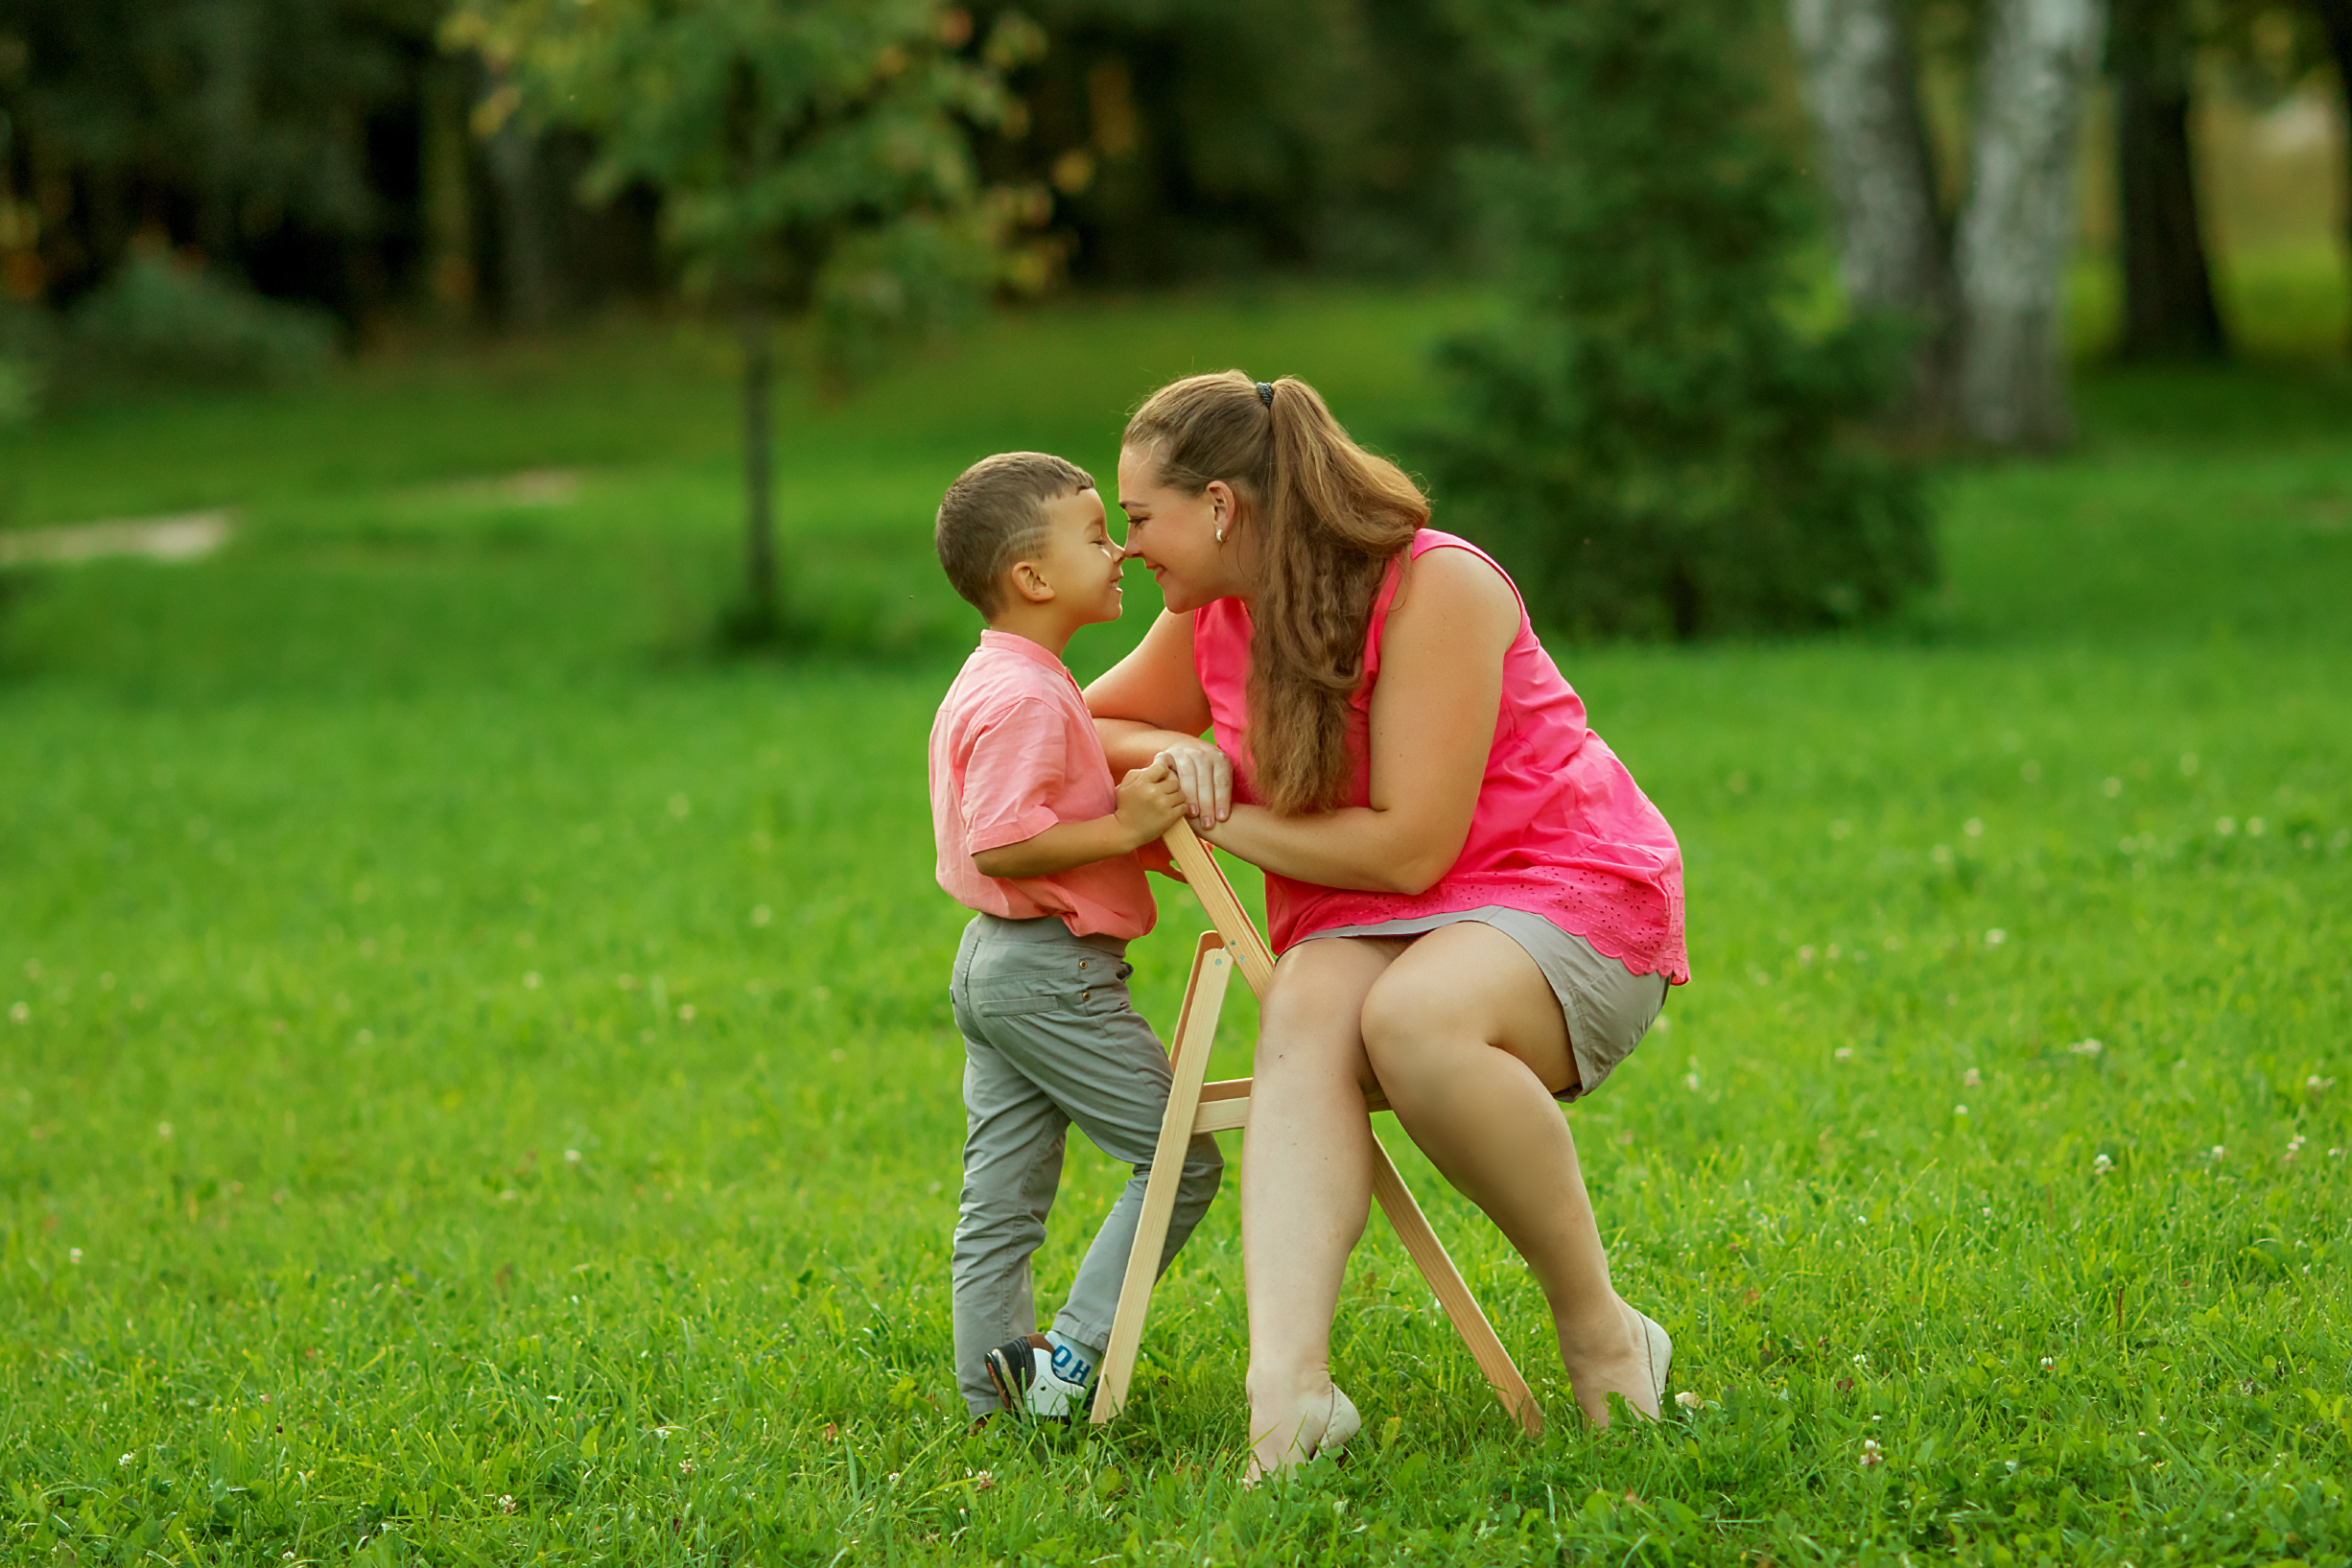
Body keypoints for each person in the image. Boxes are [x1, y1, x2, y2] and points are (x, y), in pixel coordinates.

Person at [1086, 373, 1690, 1478]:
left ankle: (1603, 1333)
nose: (1128, 551)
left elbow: (1410, 847)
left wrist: (1228, 823)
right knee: (1305, 1020)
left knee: (1412, 1022)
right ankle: (1289, 1399)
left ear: (1221, 506)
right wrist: (1175, 759)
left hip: (1559, 887)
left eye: (1138, 520)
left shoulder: (1433, 586)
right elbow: (1090, 724)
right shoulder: (1212, 611)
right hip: (1363, 916)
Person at [928, 451, 1225, 1426]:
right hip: (1049, 974)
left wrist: (1133, 850)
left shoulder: (1003, 677)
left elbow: (1046, 823)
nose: (1122, 554)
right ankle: (1067, 1360)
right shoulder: (1025, 697)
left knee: (1002, 1197)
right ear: (1033, 578)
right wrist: (1129, 830)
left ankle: (993, 1401)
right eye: (1098, 536)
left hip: (1000, 966)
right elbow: (1006, 841)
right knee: (1180, 1157)